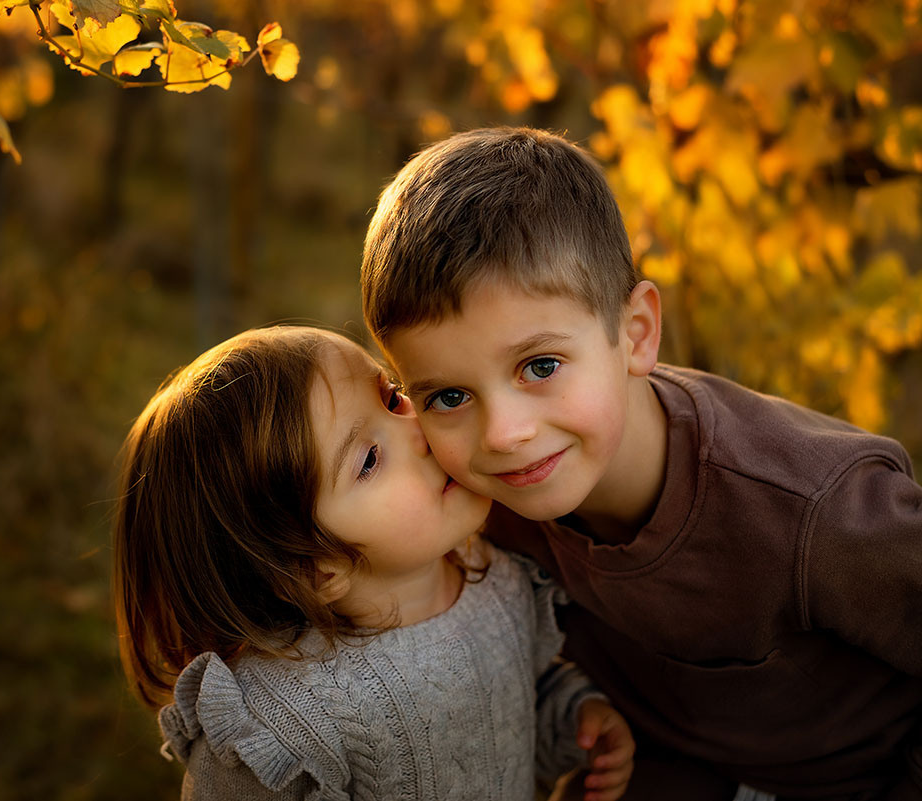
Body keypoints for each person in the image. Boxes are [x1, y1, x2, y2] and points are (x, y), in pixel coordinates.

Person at [359, 125, 922, 801]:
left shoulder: (811, 507)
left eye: (540, 366)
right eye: (449, 395)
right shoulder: (478, 501)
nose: (504, 433)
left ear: (636, 335)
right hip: (668, 762)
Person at [113, 325, 635, 800]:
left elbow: (513, 708)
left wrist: (574, 718)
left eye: (393, 397)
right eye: (368, 459)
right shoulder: (290, 721)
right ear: (315, 569)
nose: (419, 431)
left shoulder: (502, 578)